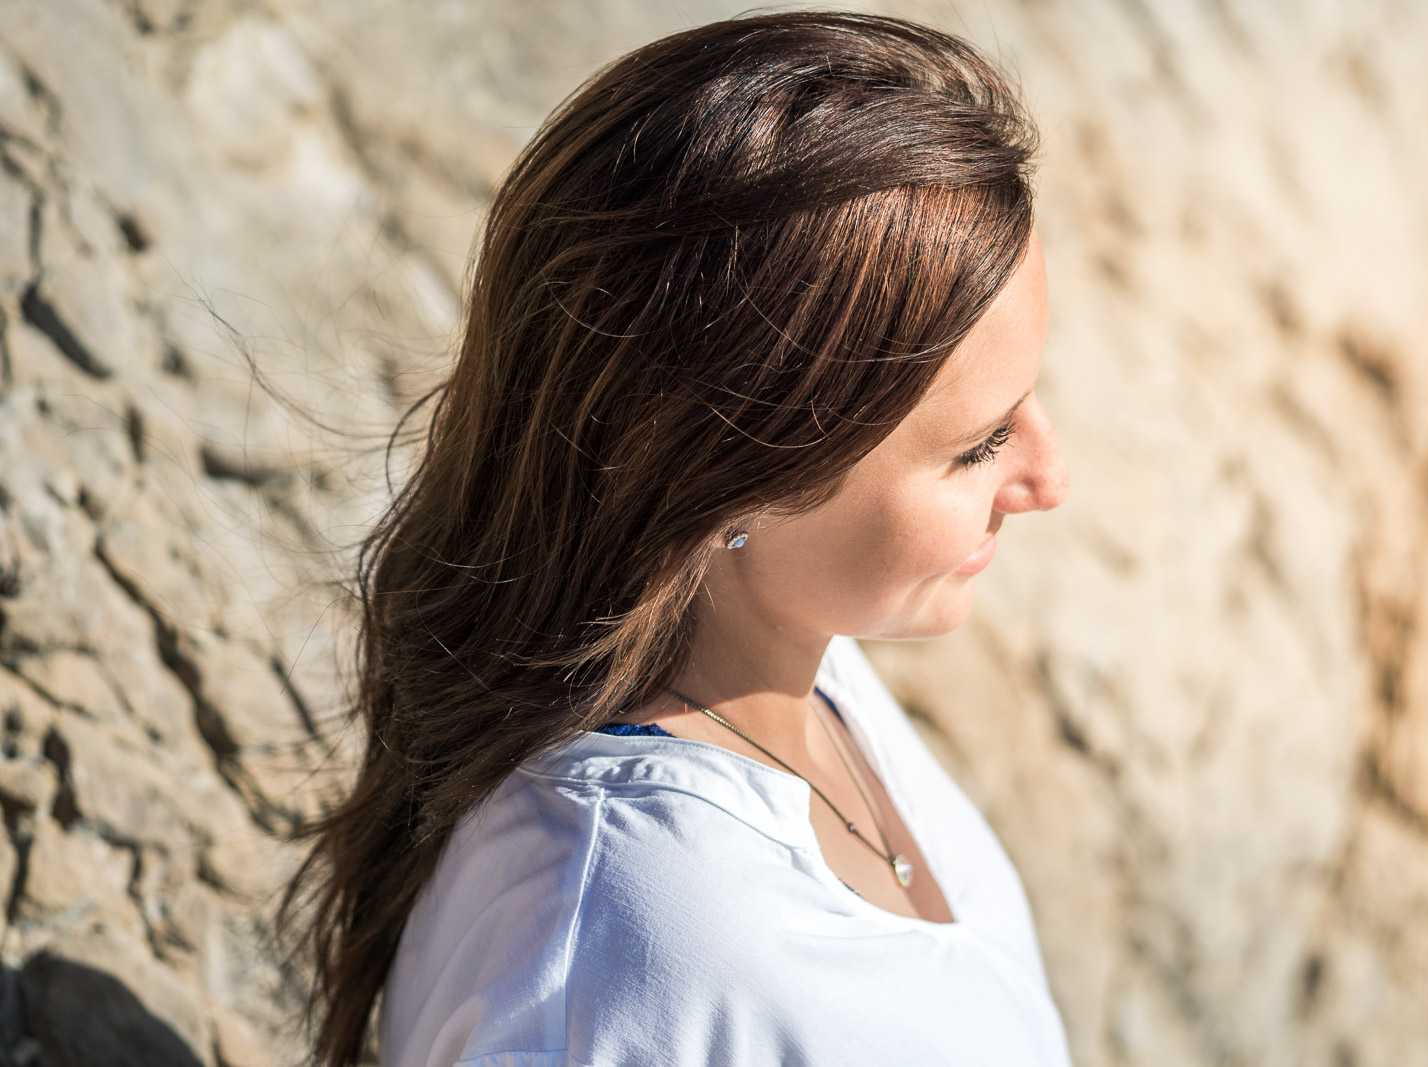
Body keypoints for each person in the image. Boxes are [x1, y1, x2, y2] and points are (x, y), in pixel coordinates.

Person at [284, 11, 1073, 1066]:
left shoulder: (795, 665)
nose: (1045, 478)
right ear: (730, 477)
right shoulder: (619, 950)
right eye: (978, 444)